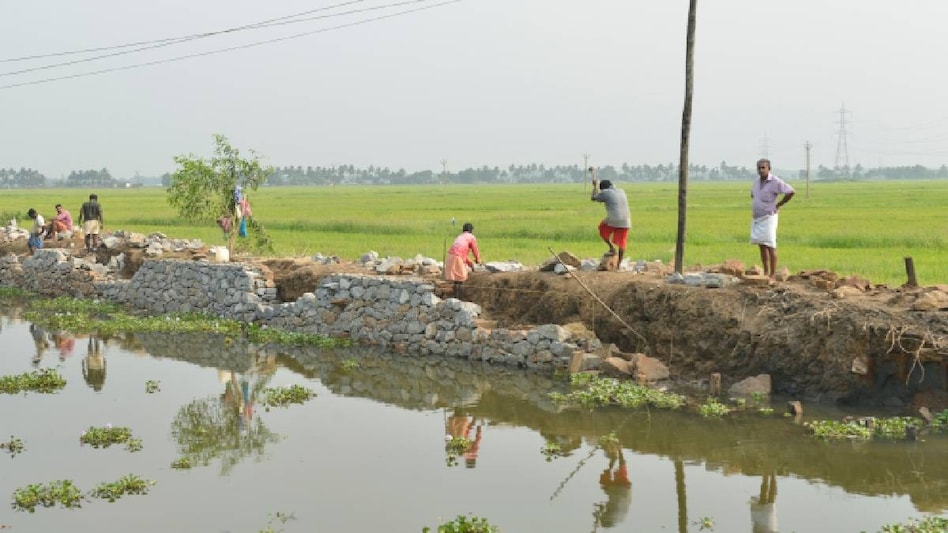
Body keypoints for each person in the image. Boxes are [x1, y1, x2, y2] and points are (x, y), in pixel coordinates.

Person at [750, 159, 795, 279]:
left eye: (763, 167)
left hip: (769, 217)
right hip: (757, 218)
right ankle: (766, 272)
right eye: (759, 168)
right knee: (761, 244)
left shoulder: (775, 182)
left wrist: (780, 204)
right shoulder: (756, 182)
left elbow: (790, 191)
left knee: (770, 244)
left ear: (769, 169)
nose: (761, 170)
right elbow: (753, 195)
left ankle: (773, 274)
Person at [590, 171, 631, 267]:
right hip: (626, 220)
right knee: (622, 243)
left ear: (603, 188)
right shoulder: (621, 191)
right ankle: (618, 265)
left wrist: (595, 186)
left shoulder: (605, 192)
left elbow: (593, 198)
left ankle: (611, 248)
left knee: (602, 228)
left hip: (613, 220)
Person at [595, 436, 632, 528]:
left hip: (621, 491)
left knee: (604, 481)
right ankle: (618, 452)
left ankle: (614, 458)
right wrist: (597, 515)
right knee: (620, 470)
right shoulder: (613, 515)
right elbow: (602, 509)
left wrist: (597, 516)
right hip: (622, 490)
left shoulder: (617, 517)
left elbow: (602, 508)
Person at [444, 222, 482, 298]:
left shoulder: (460, 237)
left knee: (456, 278)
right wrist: (478, 260)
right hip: (457, 257)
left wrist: (470, 263)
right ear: (471, 230)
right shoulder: (471, 237)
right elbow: (475, 250)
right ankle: (460, 297)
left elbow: (463, 253)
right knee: (462, 277)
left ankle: (455, 295)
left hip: (450, 256)